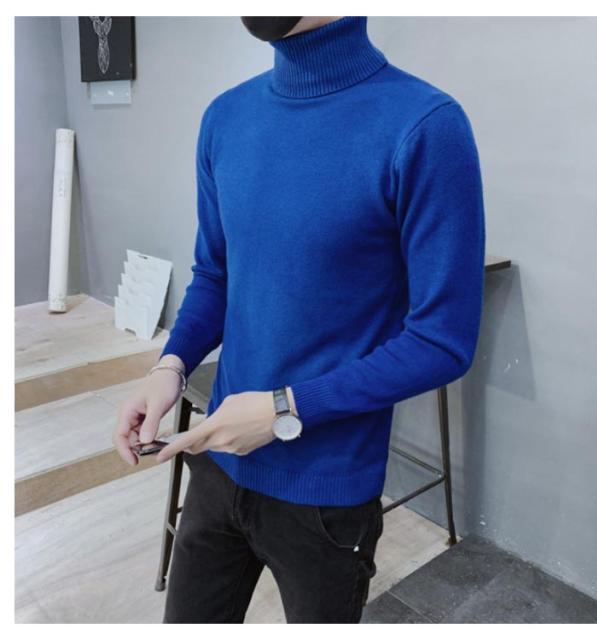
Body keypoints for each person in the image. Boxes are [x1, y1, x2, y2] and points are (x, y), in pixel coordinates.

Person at [113, 16, 486, 624]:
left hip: (327, 493)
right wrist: (171, 367)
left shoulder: (424, 126)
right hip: (218, 462)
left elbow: (442, 341)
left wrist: (286, 409)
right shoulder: (226, 118)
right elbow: (217, 275)